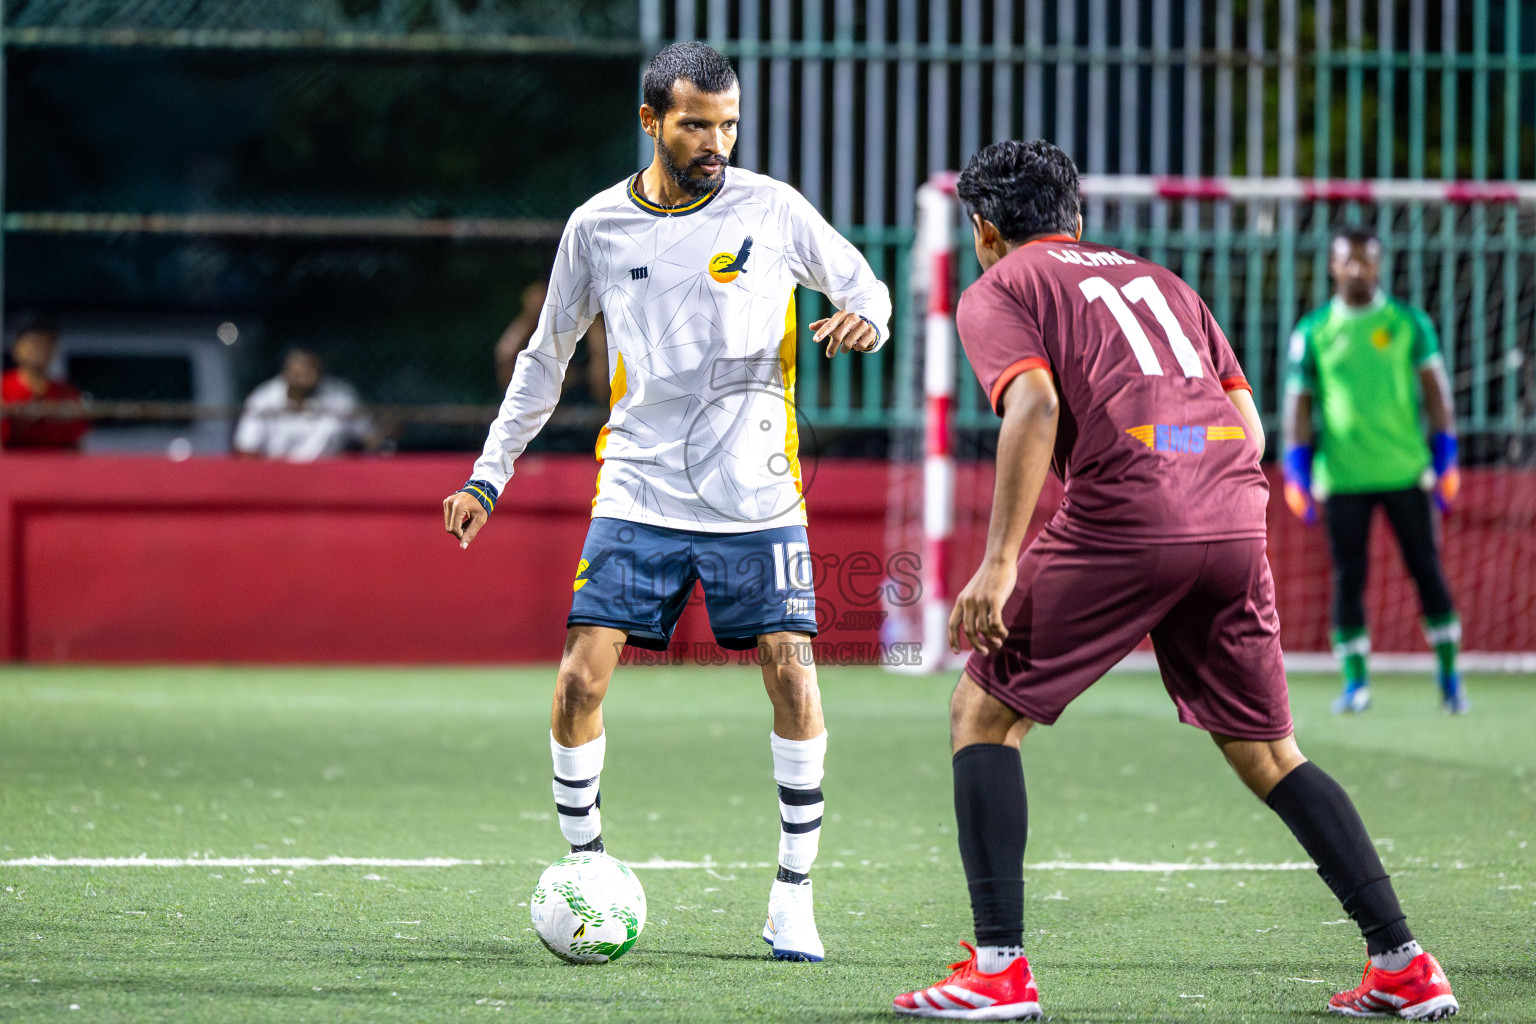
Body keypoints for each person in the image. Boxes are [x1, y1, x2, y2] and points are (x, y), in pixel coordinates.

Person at [892, 141, 1458, 1021]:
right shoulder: (1169, 284)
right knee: (1270, 752)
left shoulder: (1002, 286)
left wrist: (999, 563)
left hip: (1126, 518)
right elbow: (1249, 427)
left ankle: (998, 970)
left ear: (983, 231)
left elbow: (1034, 405)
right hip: (1235, 516)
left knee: (982, 713)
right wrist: (1177, 460)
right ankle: (1404, 964)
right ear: (1077, 217)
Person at [441, 41, 891, 963]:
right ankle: (588, 872)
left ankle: (793, 895)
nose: (715, 139)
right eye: (695, 122)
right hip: (639, 487)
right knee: (577, 683)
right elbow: (545, 357)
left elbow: (867, 286)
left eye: (727, 122)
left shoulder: (771, 207)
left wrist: (868, 320)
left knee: (793, 675)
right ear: (651, 121)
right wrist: (491, 473)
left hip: (758, 495)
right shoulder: (596, 226)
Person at [1282, 228, 1465, 715]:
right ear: (1332, 266)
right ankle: (1355, 683)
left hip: (1406, 472)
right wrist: (1294, 470)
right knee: (1349, 577)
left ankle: (1449, 675)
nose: (1358, 269)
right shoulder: (1313, 331)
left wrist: (1446, 457)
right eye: (1349, 261)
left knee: (1426, 571)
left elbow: (1438, 398)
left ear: (1380, 266)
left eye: (1367, 261)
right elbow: (1297, 407)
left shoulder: (1409, 323)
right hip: (1343, 478)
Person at [233, 347, 370, 461]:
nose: (304, 378)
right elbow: (246, 448)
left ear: (321, 372)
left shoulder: (341, 397)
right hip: (276, 476)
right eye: (298, 373)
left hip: (328, 477)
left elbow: (369, 438)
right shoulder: (263, 398)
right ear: (285, 372)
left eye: (310, 371)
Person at [1, 314, 90, 450]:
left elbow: (76, 445)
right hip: (15, 466)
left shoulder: (66, 392)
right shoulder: (3, 388)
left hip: (56, 466)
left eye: (46, 343)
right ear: (17, 347)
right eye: (33, 343)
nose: (39, 350)